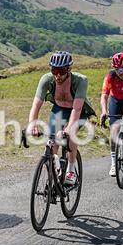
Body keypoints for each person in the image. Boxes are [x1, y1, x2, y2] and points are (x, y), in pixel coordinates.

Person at [26, 51, 94, 185]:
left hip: (77, 111)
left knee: (70, 135)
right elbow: (36, 103)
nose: (57, 75)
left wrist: (67, 129)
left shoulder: (80, 81)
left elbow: (77, 108)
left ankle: (71, 169)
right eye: (54, 70)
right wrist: (31, 125)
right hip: (59, 111)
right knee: (51, 145)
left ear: (69, 69)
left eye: (61, 71)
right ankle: (53, 177)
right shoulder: (46, 79)